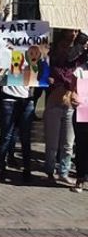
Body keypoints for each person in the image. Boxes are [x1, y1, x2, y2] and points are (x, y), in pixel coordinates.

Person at [43, 29, 86, 185]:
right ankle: (49, 171)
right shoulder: (53, 52)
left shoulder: (79, 54)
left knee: (68, 142)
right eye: (71, 30)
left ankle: (64, 171)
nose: (73, 34)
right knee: (52, 142)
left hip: (70, 103)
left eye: (76, 31)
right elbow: (50, 71)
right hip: (54, 100)